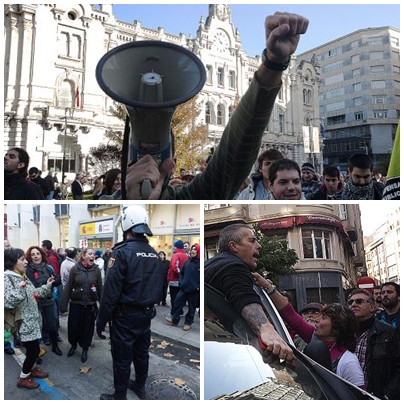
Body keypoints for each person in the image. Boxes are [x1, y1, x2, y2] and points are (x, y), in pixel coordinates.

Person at [123, 12, 309, 200]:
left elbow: (235, 151)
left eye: (158, 151)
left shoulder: (191, 197)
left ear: (173, 160)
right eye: (139, 148)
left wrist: (273, 63)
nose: (148, 160)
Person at [96, 205, 166, 400]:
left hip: (125, 316)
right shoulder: (153, 253)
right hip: (146, 314)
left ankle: (120, 396)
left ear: (126, 226)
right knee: (141, 353)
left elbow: (110, 293)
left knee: (122, 357)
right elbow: (161, 286)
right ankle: (140, 386)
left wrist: (101, 321)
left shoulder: (121, 253)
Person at [205, 224, 293, 362]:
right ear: (234, 246)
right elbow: (243, 296)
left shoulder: (212, 264)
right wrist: (266, 329)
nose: (259, 246)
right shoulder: (233, 266)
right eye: (252, 241)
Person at [262, 278, 364, 387]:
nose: (316, 319)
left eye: (324, 318)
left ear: (336, 329)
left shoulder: (349, 363)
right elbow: (290, 314)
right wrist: (268, 286)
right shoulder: (314, 336)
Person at [4, 248, 56, 389]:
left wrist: (47, 286)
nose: (26, 261)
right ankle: (23, 378)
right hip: (23, 324)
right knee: (33, 352)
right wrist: (20, 289)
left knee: (33, 350)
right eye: (22, 259)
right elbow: (6, 302)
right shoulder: (6, 278)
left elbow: (34, 293)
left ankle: (32, 369)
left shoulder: (22, 276)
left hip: (32, 321)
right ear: (12, 263)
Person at [347, 289, 399, 399]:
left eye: (359, 301)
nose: (354, 304)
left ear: (372, 307)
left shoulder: (388, 332)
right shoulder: (344, 332)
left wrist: (387, 395)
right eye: (350, 302)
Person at [61, 248, 103, 363]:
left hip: (90, 306)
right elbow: (68, 286)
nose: (93, 256)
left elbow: (100, 289)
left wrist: (103, 307)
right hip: (76, 305)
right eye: (90, 254)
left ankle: (85, 349)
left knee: (87, 329)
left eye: (94, 254)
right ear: (83, 256)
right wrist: (63, 306)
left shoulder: (96, 270)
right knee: (74, 328)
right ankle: (73, 345)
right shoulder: (76, 268)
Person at [25, 246, 62, 354]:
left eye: (38, 253)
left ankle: (55, 346)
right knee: (37, 327)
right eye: (33, 254)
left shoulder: (48, 267)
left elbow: (58, 280)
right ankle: (35, 352)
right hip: (36, 303)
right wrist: (48, 282)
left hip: (49, 300)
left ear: (41, 255)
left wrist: (51, 282)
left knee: (52, 324)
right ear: (30, 257)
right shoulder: (28, 270)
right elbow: (33, 286)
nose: (36, 256)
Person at [165, 244, 200, 331]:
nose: (193, 251)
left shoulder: (200, 264)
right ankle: (175, 320)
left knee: (191, 308)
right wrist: (181, 283)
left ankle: (188, 323)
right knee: (177, 303)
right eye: (192, 249)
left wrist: (198, 287)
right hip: (184, 288)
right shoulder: (187, 262)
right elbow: (181, 273)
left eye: (195, 249)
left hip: (194, 291)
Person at [166, 240, 189, 317]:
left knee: (174, 298)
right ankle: (180, 311)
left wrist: (179, 274)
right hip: (182, 280)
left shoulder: (176, 255)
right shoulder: (186, 256)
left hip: (175, 280)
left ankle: (174, 313)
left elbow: (174, 267)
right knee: (180, 297)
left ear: (176, 247)